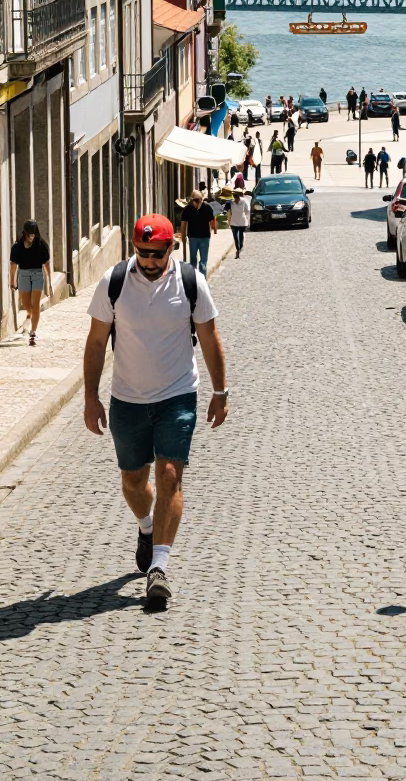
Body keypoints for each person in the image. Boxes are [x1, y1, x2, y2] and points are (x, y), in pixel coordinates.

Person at [84, 214, 228, 603]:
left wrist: (220, 391)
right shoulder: (113, 283)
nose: (148, 260)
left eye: (156, 254)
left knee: (168, 475)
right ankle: (147, 527)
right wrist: (90, 397)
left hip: (177, 395)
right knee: (133, 481)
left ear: (170, 248)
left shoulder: (190, 282)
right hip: (127, 399)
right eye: (142, 253)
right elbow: (97, 342)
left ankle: (158, 568)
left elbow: (210, 336)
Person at [10, 219, 53, 346]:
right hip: (23, 275)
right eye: (29, 234)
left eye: (33, 234)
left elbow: (46, 264)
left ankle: (33, 332)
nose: (31, 237)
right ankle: (30, 315)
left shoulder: (41, 246)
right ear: (25, 233)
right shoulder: (17, 247)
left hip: (37, 275)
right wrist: (12, 280)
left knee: (36, 305)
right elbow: (13, 264)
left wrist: (49, 282)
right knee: (26, 305)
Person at [179, 190, 217, 276]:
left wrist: (213, 230)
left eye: (200, 200)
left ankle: (203, 280)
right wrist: (183, 236)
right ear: (192, 200)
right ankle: (194, 278)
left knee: (203, 262)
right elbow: (183, 224)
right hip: (193, 238)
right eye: (196, 200)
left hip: (205, 238)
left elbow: (212, 221)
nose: (198, 202)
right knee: (193, 260)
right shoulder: (187, 210)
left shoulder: (207, 208)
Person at [229, 188, 251, 256]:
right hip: (233, 221)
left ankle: (240, 246)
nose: (236, 200)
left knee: (241, 235)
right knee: (235, 236)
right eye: (235, 199)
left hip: (242, 221)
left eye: (237, 198)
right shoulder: (231, 202)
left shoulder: (244, 201)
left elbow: (247, 210)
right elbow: (229, 211)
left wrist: (246, 218)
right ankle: (237, 248)